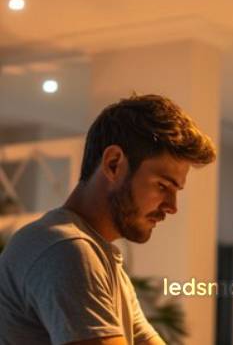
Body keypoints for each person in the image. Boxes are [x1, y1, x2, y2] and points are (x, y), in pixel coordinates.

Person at [0, 94, 216, 345]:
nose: (172, 206)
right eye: (162, 186)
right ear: (113, 164)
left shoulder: (99, 257)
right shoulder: (65, 249)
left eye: (175, 191)